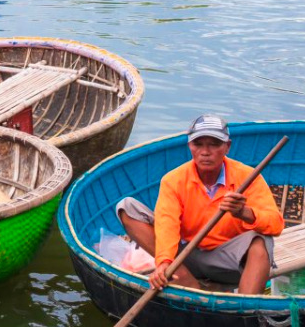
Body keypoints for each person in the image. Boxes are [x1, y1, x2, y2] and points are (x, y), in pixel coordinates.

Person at [116, 115, 283, 295]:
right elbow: (167, 224)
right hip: (186, 257)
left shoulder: (248, 177)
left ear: (227, 146)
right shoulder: (174, 180)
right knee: (127, 207)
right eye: (198, 144)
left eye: (214, 144)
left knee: (262, 240)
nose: (205, 152)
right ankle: (185, 280)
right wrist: (164, 261)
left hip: (229, 264)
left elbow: (276, 225)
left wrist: (244, 212)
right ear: (190, 146)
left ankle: (244, 307)